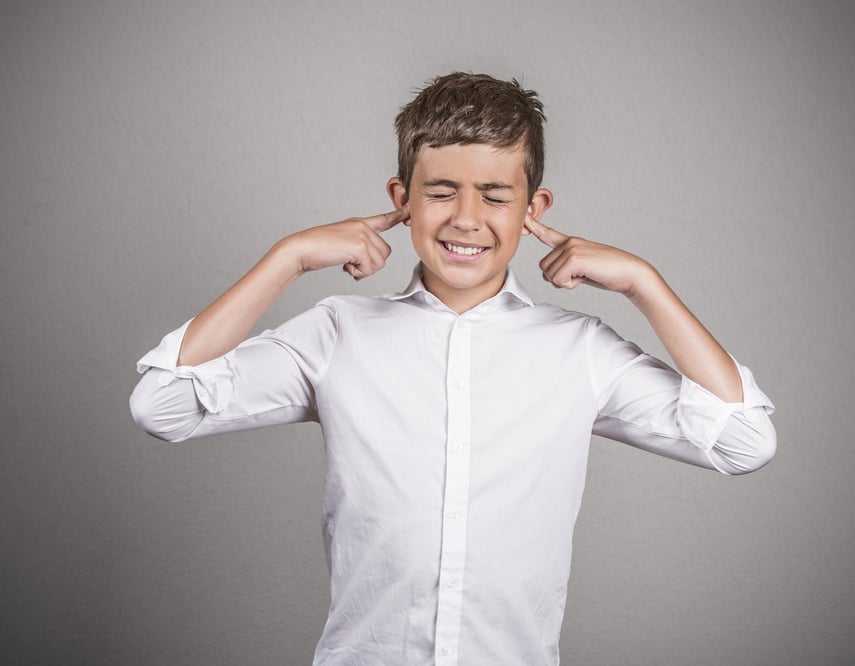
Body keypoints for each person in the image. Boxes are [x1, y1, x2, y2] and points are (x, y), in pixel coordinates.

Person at [130, 72, 776, 665]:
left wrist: (644, 285)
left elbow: (743, 444)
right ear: (401, 197)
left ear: (533, 209)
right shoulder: (337, 334)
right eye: (440, 192)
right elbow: (163, 406)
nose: (465, 218)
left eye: (494, 195)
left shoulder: (577, 349)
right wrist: (287, 259)